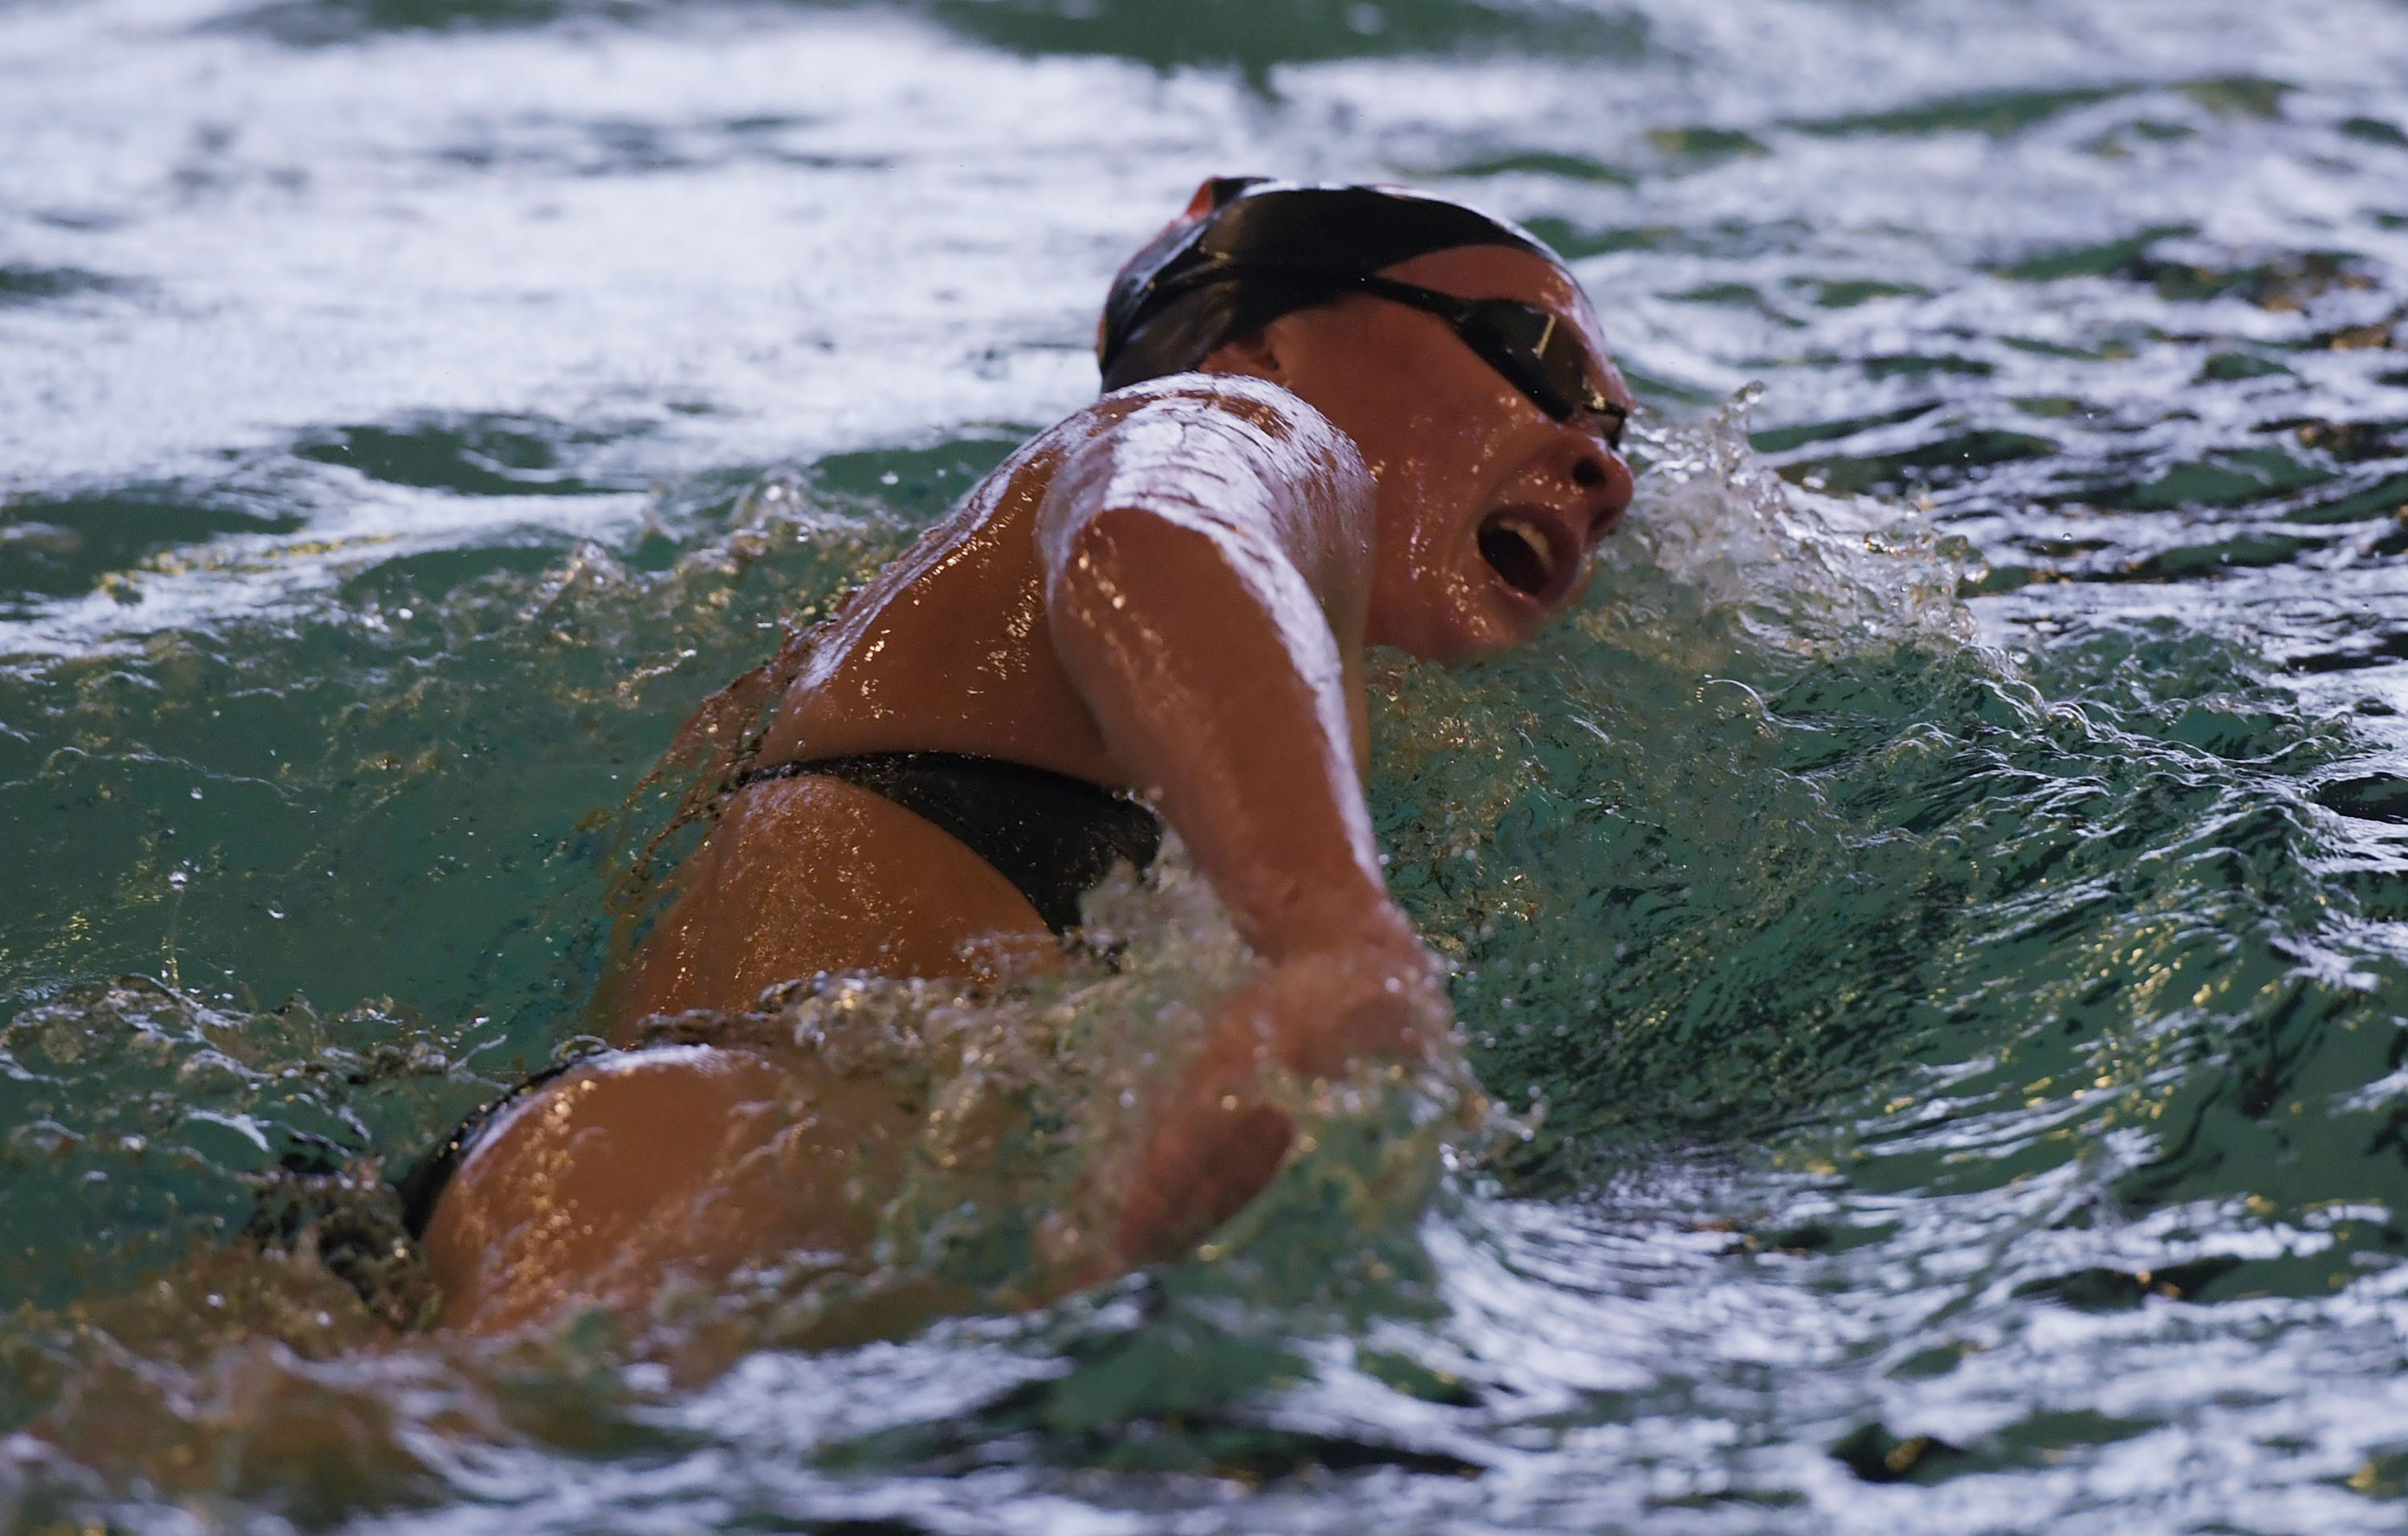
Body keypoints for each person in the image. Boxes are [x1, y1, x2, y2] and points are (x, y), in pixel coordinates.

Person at [407, 178, 1637, 1334]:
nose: (1605, 467)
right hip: (708, 1170)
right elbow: (1155, 528)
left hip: (651, 1176)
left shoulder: (882, 657)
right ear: (1259, 348)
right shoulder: (1222, 417)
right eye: (1536, 361)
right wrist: (1329, 932)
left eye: (1617, 426)